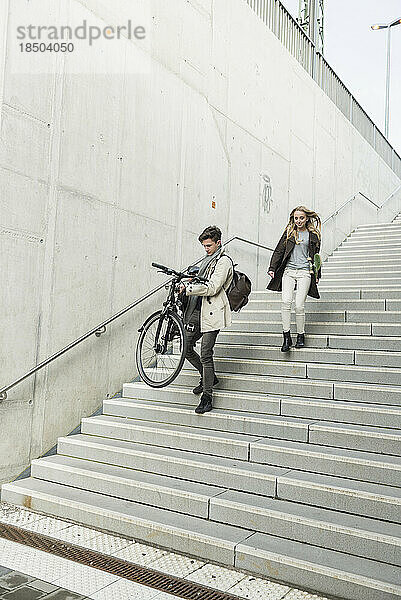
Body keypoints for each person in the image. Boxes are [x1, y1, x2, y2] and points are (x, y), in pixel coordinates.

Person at [183, 226, 233, 414]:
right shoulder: (206, 260)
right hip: (197, 309)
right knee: (186, 348)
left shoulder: (224, 261)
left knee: (205, 353)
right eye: (204, 246)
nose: (206, 249)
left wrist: (189, 289)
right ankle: (207, 376)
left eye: (209, 245)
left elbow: (212, 287)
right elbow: (201, 280)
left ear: (218, 242)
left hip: (213, 312)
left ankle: (207, 396)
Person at [267, 206, 321, 352]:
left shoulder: (313, 235)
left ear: (307, 218)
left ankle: (300, 335)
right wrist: (272, 268)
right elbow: (279, 250)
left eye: (301, 218)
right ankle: (286, 336)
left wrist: (317, 274)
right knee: (285, 301)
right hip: (289, 271)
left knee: (299, 305)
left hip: (305, 272)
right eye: (296, 218)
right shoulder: (289, 233)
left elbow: (316, 257)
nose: (298, 221)